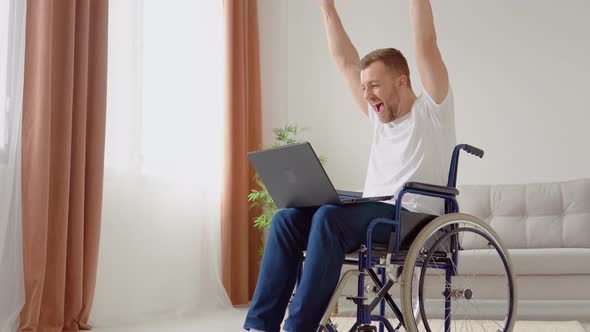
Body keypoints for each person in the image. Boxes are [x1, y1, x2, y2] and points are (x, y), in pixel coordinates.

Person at [244, 0, 456, 331]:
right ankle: (259, 326)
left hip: (413, 217)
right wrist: (326, 7)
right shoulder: (379, 119)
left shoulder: (432, 111)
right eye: (363, 87)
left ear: (401, 81)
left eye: (374, 85)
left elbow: (425, 43)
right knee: (286, 219)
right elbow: (345, 61)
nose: (367, 94)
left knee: (330, 218)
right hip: (373, 213)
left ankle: (297, 327)